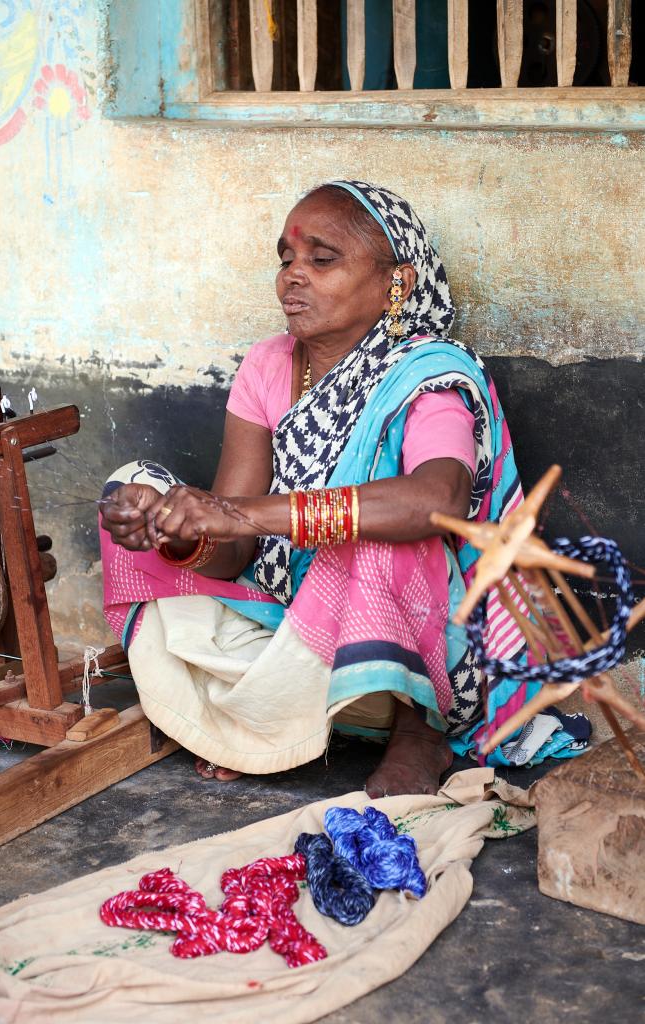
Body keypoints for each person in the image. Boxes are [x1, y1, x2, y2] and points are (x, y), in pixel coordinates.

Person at [100, 180, 589, 797]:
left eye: (321, 259)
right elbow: (231, 553)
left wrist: (238, 513)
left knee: (391, 531)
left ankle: (419, 732)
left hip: (410, 647)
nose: (291, 277)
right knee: (133, 484)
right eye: (286, 259)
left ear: (397, 284)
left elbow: (436, 501)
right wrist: (181, 532)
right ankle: (268, 721)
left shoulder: (430, 373)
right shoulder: (268, 365)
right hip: (291, 626)